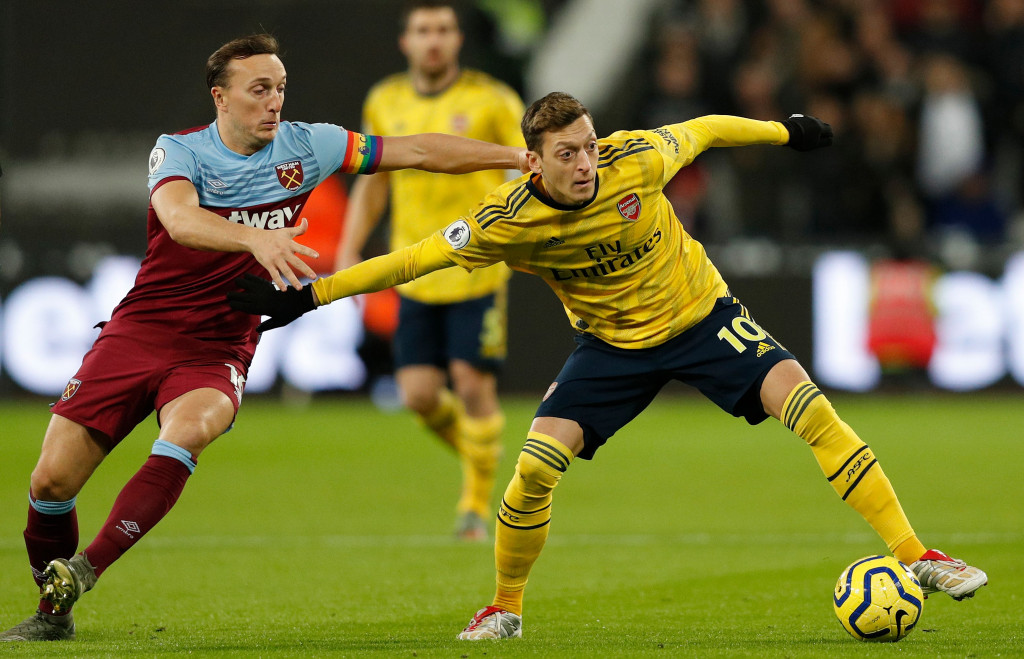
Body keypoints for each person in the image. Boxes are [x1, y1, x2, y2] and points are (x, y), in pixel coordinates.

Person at [228, 92, 989, 641]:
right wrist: (313, 295)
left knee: (811, 406)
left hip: (701, 316)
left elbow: (702, 129)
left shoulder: (634, 159)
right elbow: (414, 258)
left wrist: (781, 132)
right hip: (611, 348)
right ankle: (504, 606)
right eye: (568, 153)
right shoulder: (508, 217)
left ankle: (918, 555)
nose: (587, 161)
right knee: (532, 469)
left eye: (590, 143)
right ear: (536, 161)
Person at [0, 33, 527, 643]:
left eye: (280, 88)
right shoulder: (181, 151)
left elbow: (419, 151)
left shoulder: (311, 145)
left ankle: (86, 570)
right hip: (141, 330)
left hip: (221, 344)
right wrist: (254, 238)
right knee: (50, 484)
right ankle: (53, 609)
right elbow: (177, 218)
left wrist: (515, 158)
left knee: (191, 429)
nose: (274, 101)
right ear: (221, 98)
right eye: (259, 89)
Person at [338, 0, 526, 540]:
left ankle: (474, 504)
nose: (434, 40)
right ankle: (483, 456)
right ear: (407, 42)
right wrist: (351, 248)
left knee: (471, 383)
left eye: (443, 29)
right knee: (418, 394)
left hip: (477, 266)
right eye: (423, 30)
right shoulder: (385, 100)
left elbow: (526, 165)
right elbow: (373, 181)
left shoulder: (490, 100)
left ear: (458, 39)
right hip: (416, 268)